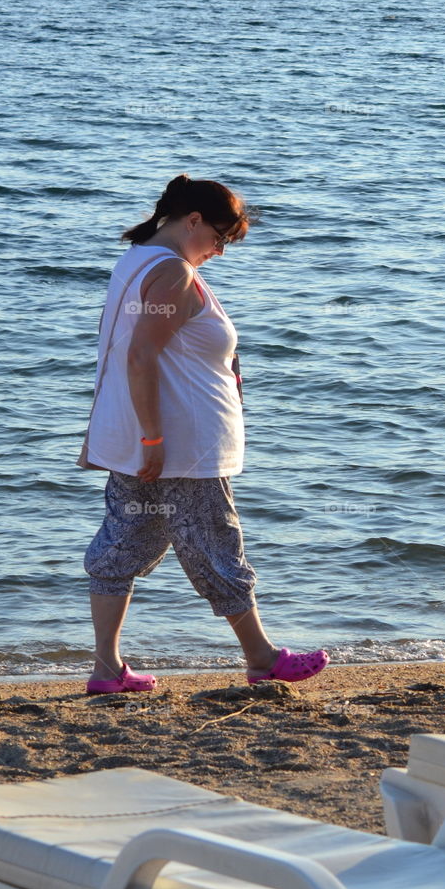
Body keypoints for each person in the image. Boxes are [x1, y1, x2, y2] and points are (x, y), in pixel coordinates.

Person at [82, 173, 329, 694]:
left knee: (121, 546)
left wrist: (142, 438)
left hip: (144, 440)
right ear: (192, 220)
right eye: (219, 238)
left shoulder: (137, 260)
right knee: (218, 548)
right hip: (179, 447)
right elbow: (141, 354)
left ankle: (107, 671)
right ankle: (262, 658)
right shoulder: (171, 271)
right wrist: (153, 438)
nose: (219, 251)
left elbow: (146, 352)